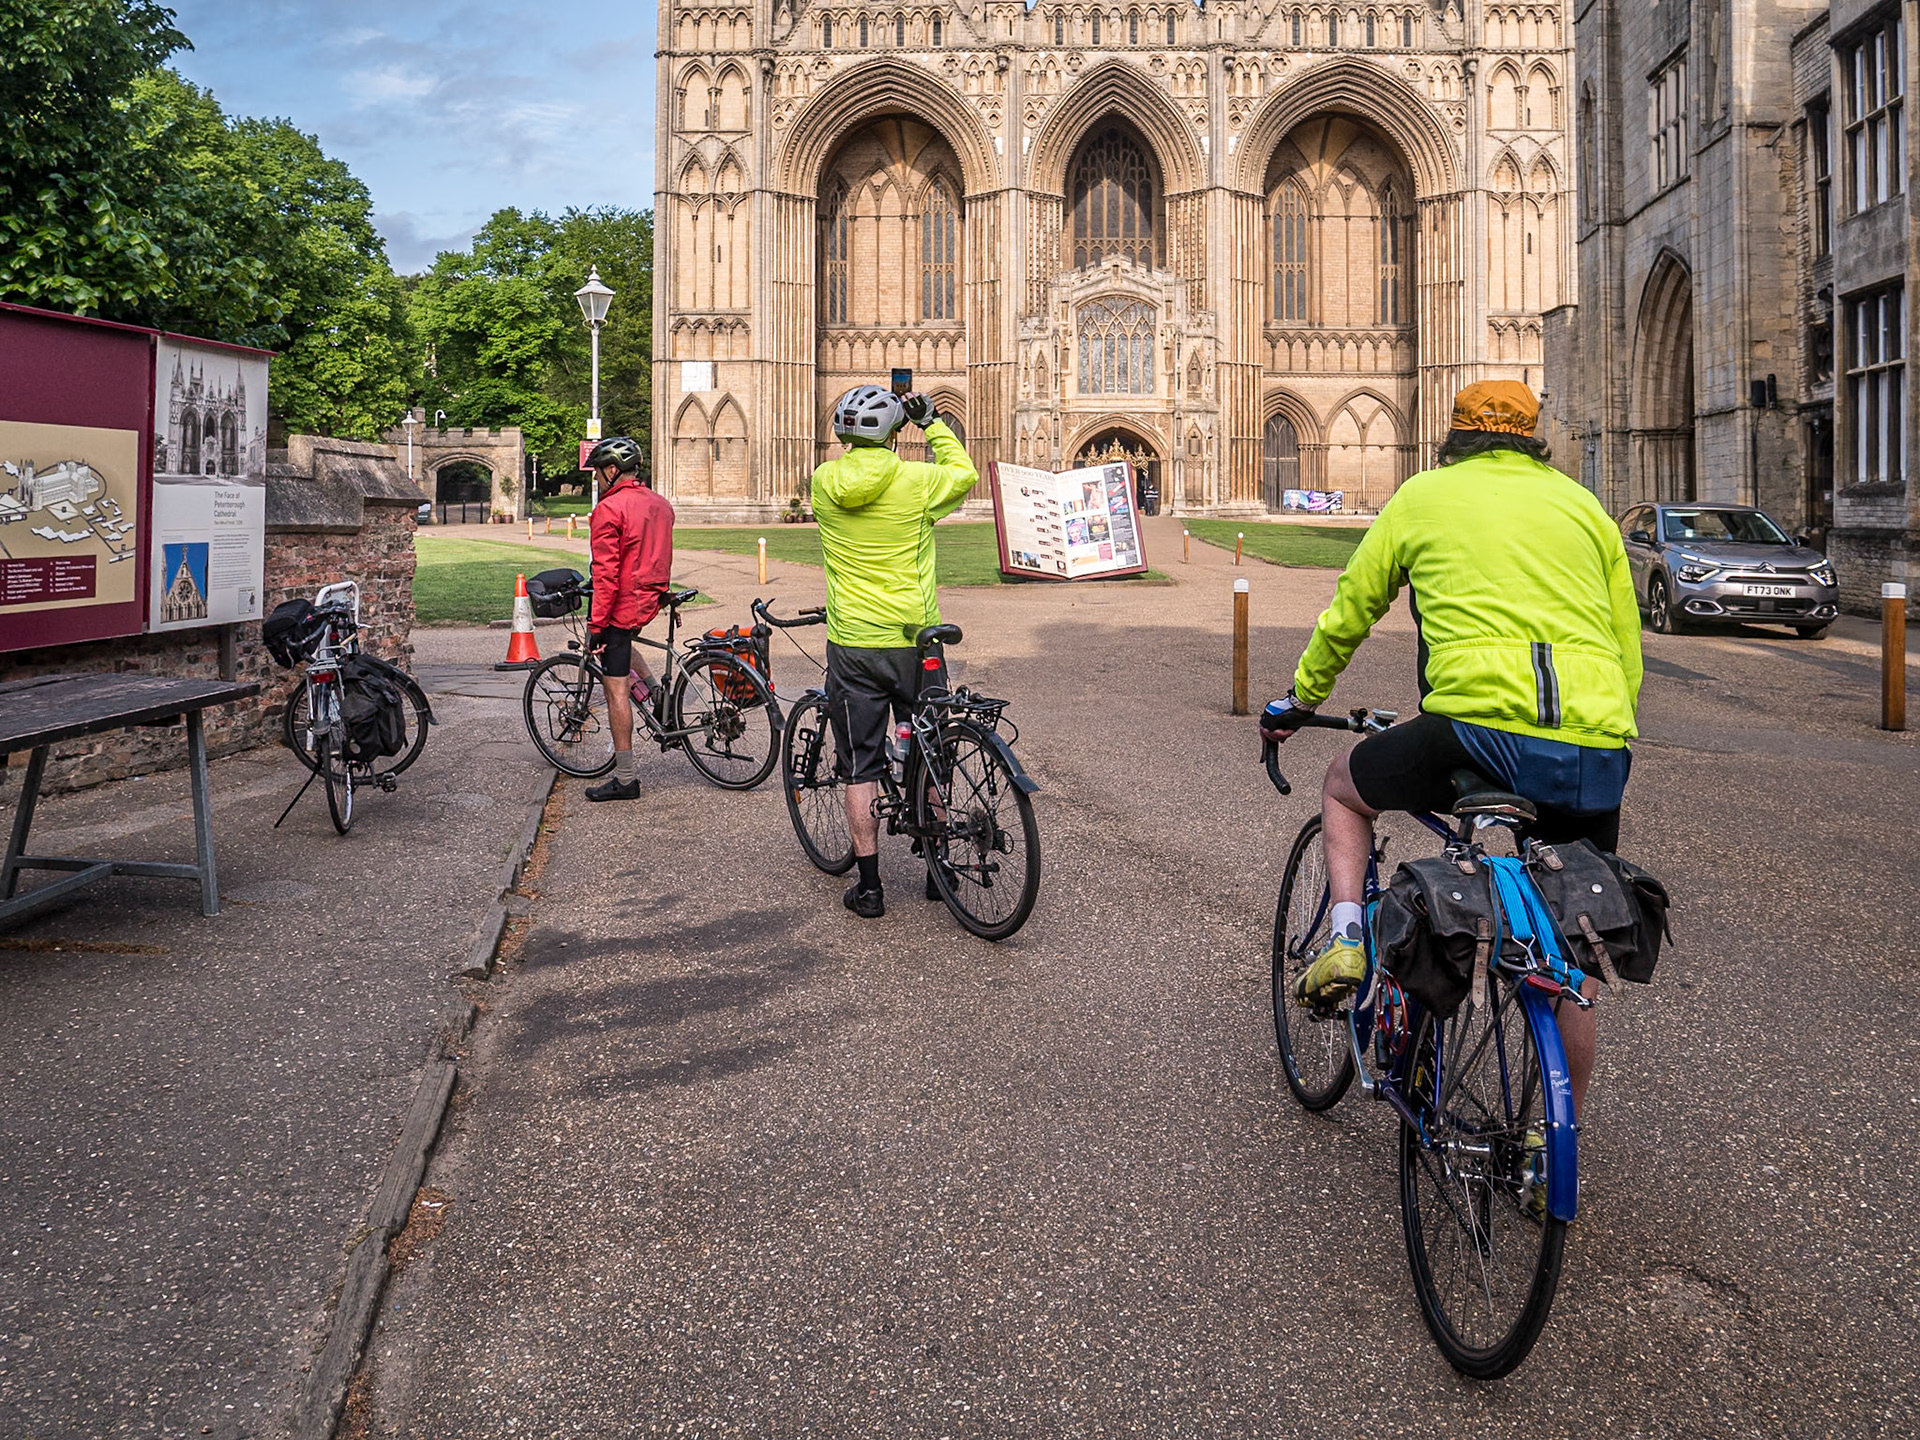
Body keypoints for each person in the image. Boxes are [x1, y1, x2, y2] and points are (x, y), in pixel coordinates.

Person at [1258, 380, 1641, 1112]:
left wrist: (1301, 700)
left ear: (1456, 434)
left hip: (1475, 730)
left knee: (1343, 785)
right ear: (1535, 437)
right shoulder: (1586, 509)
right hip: (1596, 746)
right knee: (1575, 963)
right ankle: (1550, 1145)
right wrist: (1608, 729)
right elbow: (1627, 646)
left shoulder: (1423, 496)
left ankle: (1344, 941)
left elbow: (1351, 611)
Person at [810, 384, 979, 918]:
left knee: (859, 765)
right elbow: (966, 474)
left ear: (841, 433)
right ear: (893, 433)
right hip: (915, 639)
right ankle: (940, 867)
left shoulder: (823, 482)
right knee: (932, 747)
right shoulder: (918, 480)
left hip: (855, 642)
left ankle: (871, 888)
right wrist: (931, 423)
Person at [582, 435, 674, 802]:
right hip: (651, 597)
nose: (596, 482)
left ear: (610, 470)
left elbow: (607, 574)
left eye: (597, 475)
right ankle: (655, 693)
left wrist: (595, 626)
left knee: (615, 687)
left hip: (625, 602)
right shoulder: (660, 504)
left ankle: (625, 778)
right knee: (625, 642)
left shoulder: (609, 509)